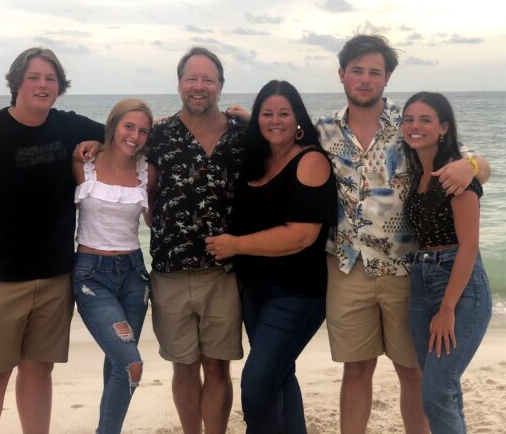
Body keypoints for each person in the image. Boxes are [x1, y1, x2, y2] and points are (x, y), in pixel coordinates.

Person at [317, 34, 491, 434]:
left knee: (411, 371)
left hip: (406, 269)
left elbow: (470, 164)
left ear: (387, 77)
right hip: (347, 267)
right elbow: (277, 143)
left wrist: (475, 165)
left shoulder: (410, 122)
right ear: (342, 74)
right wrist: (243, 121)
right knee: (356, 368)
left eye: (374, 72)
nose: (364, 79)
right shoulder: (323, 130)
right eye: (357, 71)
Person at [0, 47, 104, 434]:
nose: (43, 85)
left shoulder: (69, 127)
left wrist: (99, 144)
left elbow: (129, 132)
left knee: (38, 371)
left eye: (50, 78)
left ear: (59, 86)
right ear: (17, 82)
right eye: (34, 77)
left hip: (53, 279)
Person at [205, 80, 336, 433]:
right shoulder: (258, 158)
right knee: (279, 374)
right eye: (267, 113)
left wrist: (234, 245)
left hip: (296, 293)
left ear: (298, 119)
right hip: (254, 289)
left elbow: (301, 236)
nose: (274, 120)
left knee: (257, 385)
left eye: (283, 113)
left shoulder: (310, 160)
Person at [147, 47, 246, 434]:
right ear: (179, 84)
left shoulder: (242, 135)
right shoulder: (158, 133)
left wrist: (253, 117)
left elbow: (287, 146)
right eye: (192, 78)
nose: (199, 86)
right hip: (169, 271)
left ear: (220, 86)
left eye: (208, 79)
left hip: (224, 272)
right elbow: (127, 170)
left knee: (217, 366)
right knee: (183, 365)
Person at [402, 92, 492, 434]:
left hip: (459, 287)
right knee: (442, 389)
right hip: (421, 280)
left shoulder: (456, 175)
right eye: (409, 119)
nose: (415, 126)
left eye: (425, 120)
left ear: (443, 128)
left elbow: (469, 246)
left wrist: (447, 309)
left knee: (437, 392)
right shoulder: (419, 174)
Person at [72, 99, 153, 434]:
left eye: (143, 130)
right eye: (128, 126)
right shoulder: (83, 163)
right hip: (91, 276)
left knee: (118, 365)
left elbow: (160, 219)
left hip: (134, 275)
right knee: (131, 362)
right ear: (113, 125)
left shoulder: (148, 171)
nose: (134, 135)